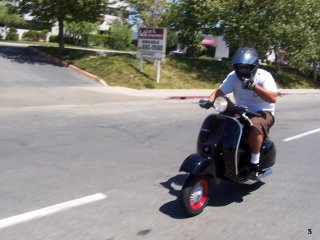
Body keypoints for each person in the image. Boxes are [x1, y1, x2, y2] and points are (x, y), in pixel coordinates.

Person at [200, 47, 278, 178]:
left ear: (253, 66)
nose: (242, 70)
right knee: (220, 121)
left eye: (246, 67)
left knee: (254, 124)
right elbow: (220, 92)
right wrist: (208, 100)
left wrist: (254, 87)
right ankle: (217, 153)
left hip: (263, 112)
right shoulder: (233, 76)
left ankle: (254, 163)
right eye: (240, 67)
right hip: (240, 109)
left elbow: (272, 98)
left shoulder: (264, 76)